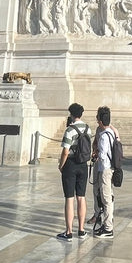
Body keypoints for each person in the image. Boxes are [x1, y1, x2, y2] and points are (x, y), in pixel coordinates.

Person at [56, 103, 91, 241]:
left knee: (69, 198)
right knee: (81, 197)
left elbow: (65, 151)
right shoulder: (88, 129)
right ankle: (81, 230)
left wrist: (61, 165)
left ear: (71, 114)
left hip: (71, 164)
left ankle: (69, 232)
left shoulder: (70, 130)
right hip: (83, 165)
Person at [93, 106, 118, 238]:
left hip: (105, 170)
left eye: (97, 118)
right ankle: (106, 224)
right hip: (111, 168)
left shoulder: (103, 136)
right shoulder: (112, 132)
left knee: (106, 199)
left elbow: (102, 155)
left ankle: (108, 228)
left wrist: (96, 155)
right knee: (108, 197)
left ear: (101, 120)